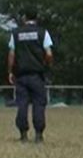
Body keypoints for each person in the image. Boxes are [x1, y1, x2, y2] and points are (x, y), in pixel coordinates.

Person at [7, 8, 53, 143]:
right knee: (39, 104)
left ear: (24, 17)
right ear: (36, 17)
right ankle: (38, 135)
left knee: (22, 104)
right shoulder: (42, 32)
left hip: (21, 75)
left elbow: (11, 54)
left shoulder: (15, 33)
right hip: (37, 75)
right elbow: (49, 53)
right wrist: (46, 65)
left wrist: (10, 71)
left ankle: (23, 134)